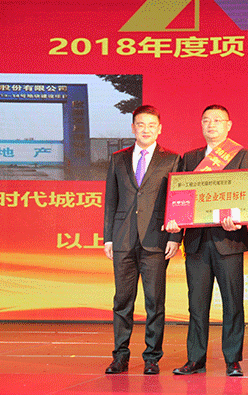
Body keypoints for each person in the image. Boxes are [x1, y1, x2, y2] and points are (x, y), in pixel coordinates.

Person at [166, 105, 248, 377]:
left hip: (229, 238)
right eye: (206, 120)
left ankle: (232, 360)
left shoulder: (242, 154)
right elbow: (180, 197)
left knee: (233, 302)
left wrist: (238, 218)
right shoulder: (190, 157)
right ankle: (195, 359)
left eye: (217, 120)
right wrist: (175, 232)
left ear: (229, 125)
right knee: (197, 303)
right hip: (196, 242)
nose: (211, 124)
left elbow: (244, 192)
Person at [103, 105, 181, 375]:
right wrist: (108, 238)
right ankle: (120, 356)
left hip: (156, 239)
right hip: (123, 238)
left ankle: (152, 357)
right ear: (133, 127)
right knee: (122, 301)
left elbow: (177, 200)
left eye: (151, 125)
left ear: (159, 129)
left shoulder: (172, 159)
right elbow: (111, 200)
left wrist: (175, 236)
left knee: (154, 301)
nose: (146, 129)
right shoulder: (118, 159)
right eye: (140, 124)